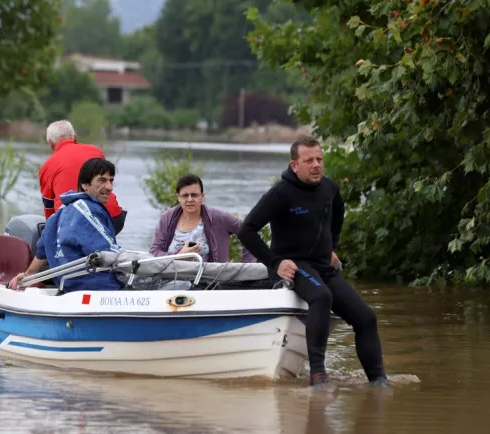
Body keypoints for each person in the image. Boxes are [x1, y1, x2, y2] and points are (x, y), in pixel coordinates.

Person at [237, 135, 389, 387]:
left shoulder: (329, 188)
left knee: (366, 318)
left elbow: (338, 216)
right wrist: (275, 263)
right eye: (309, 160)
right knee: (321, 297)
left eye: (319, 159)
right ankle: (318, 376)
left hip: (322, 266)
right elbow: (246, 230)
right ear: (295, 165)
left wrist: (333, 247)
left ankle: (379, 381)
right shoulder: (281, 193)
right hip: (293, 266)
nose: (316, 164)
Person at [9, 158, 123, 292]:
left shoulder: (61, 210)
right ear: (85, 185)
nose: (109, 187)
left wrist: (28, 275)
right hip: (98, 288)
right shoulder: (87, 211)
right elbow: (109, 252)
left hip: (69, 288)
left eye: (111, 180)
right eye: (102, 180)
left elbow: (43, 248)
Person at [39, 120, 127, 234]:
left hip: (74, 224)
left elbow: (49, 209)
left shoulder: (47, 166)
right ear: (75, 137)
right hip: (113, 217)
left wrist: (51, 235)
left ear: (51, 143)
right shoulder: (96, 151)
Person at [150, 174, 256, 263]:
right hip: (171, 280)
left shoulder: (219, 218)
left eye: (194, 195)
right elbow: (154, 252)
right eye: (185, 195)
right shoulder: (166, 218)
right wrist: (179, 256)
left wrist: (247, 265)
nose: (190, 199)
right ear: (178, 197)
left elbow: (249, 232)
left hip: (210, 283)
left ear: (202, 196)